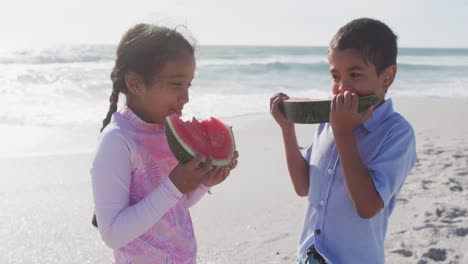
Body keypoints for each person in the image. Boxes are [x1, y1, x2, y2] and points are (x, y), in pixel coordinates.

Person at [270, 18, 416, 264]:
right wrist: (287, 129)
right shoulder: (329, 122)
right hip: (308, 257)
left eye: (355, 75)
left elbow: (367, 206)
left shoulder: (397, 133)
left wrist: (344, 134)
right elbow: (303, 186)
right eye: (335, 76)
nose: (342, 87)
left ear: (387, 76)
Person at [91, 23, 239, 264]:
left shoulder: (166, 131)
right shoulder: (117, 141)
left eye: (188, 85)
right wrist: (173, 186)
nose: (186, 97)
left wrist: (201, 184)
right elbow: (113, 234)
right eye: (176, 84)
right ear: (135, 84)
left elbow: (173, 207)